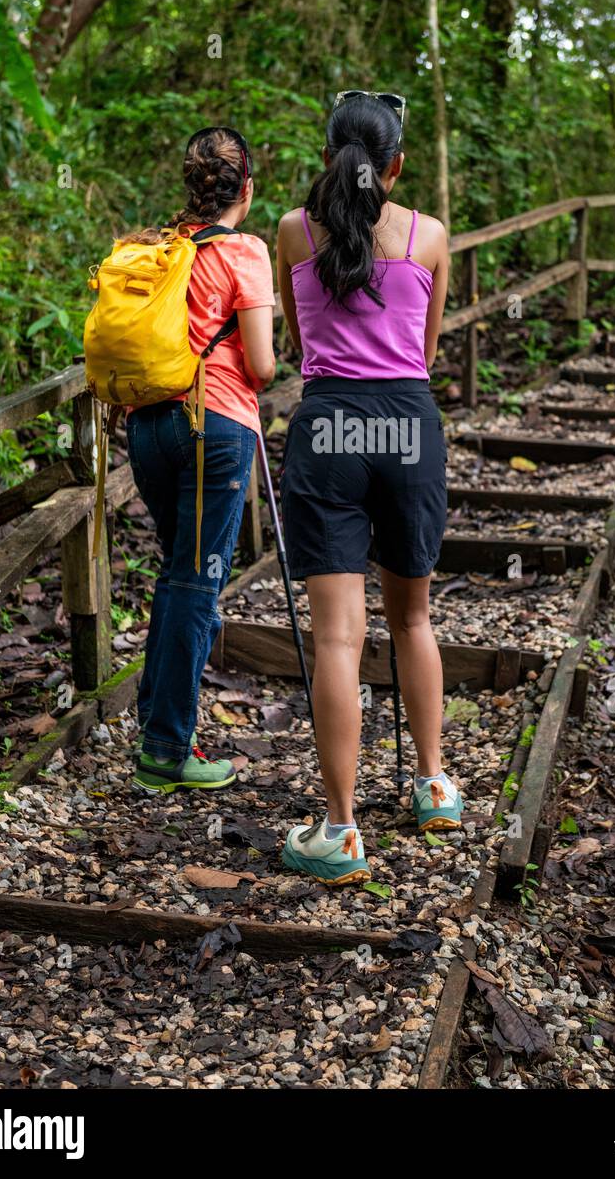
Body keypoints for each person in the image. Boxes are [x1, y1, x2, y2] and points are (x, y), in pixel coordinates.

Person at [275, 90, 462, 887]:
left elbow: (295, 338)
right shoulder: (429, 235)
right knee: (414, 613)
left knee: (336, 641)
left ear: (327, 157)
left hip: (328, 431)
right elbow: (425, 347)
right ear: (397, 164)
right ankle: (432, 784)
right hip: (407, 427)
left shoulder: (291, 231)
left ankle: (342, 830)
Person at [129, 126, 276, 794]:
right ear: (246, 188)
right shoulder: (245, 251)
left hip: (149, 427)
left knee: (176, 572)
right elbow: (264, 367)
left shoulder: (153, 249)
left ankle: (155, 722)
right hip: (213, 426)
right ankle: (166, 748)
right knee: (195, 581)